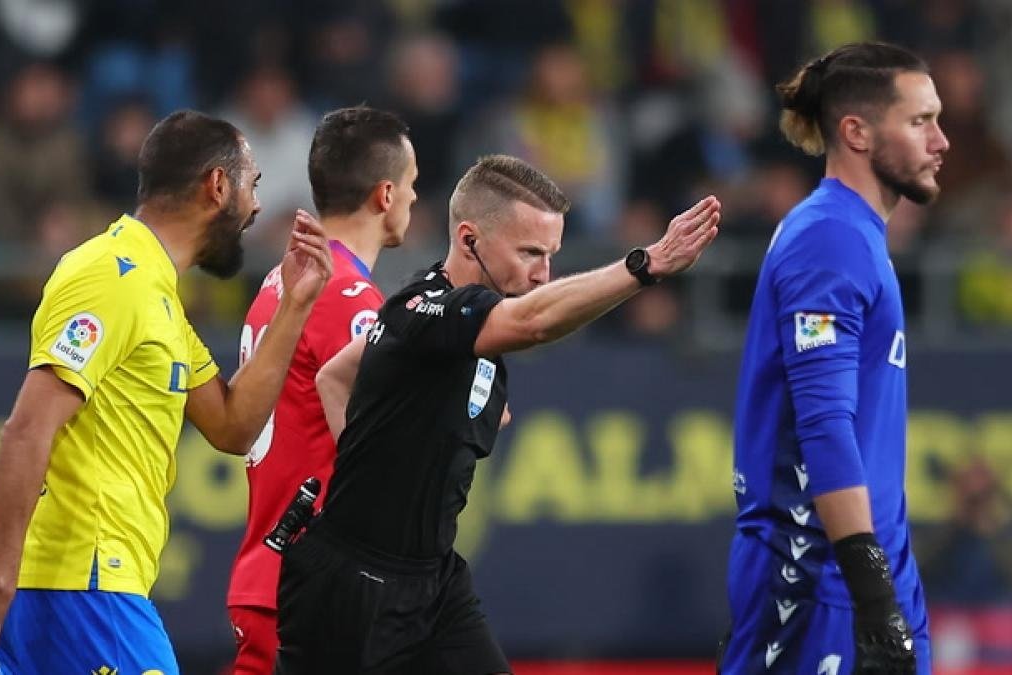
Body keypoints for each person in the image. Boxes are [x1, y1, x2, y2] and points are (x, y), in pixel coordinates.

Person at [0, 109, 334, 674]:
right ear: (218, 186)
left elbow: (233, 426)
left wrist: (295, 305)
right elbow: (27, 427)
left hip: (90, 586)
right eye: (253, 184)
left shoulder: (157, 293)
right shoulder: (110, 275)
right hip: (84, 584)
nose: (257, 206)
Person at [280, 154, 720, 674]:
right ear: (469, 240)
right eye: (530, 252)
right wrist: (644, 266)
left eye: (550, 254)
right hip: (355, 586)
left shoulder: (461, 332)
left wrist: (380, 456)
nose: (543, 273)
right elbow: (534, 323)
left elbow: (335, 376)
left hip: (434, 579)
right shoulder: (427, 310)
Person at [722, 42, 950, 675]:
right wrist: (871, 593)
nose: (941, 141)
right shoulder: (830, 239)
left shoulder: (853, 235)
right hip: (818, 575)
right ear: (856, 132)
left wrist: (886, 585)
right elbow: (824, 426)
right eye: (920, 122)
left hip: (866, 571)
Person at [224, 105, 417, 675]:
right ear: (385, 194)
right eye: (411, 183)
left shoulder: (281, 282)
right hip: (310, 587)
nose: (414, 197)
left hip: (274, 573)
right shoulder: (345, 296)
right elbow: (385, 442)